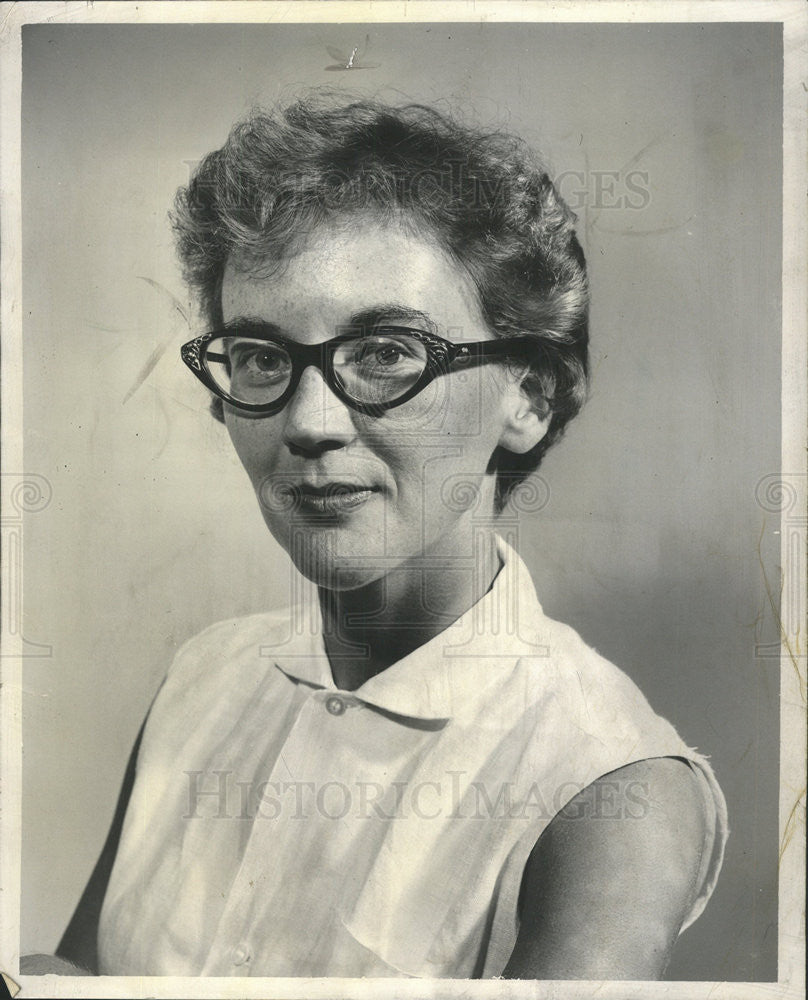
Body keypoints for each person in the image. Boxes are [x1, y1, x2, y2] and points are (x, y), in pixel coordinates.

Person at [49, 93, 727, 979]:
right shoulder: (204, 678)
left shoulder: (609, 784)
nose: (310, 422)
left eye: (387, 351)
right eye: (259, 355)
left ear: (529, 394)